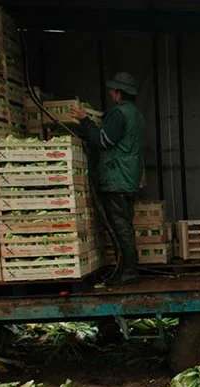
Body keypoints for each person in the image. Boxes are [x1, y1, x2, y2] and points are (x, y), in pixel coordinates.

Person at [70, 71, 145, 286]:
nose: (111, 93)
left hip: (117, 177)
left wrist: (85, 121)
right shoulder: (136, 114)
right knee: (124, 224)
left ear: (119, 93)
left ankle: (129, 272)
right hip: (129, 176)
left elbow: (104, 141)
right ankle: (126, 269)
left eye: (113, 90)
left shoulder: (118, 114)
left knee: (120, 226)